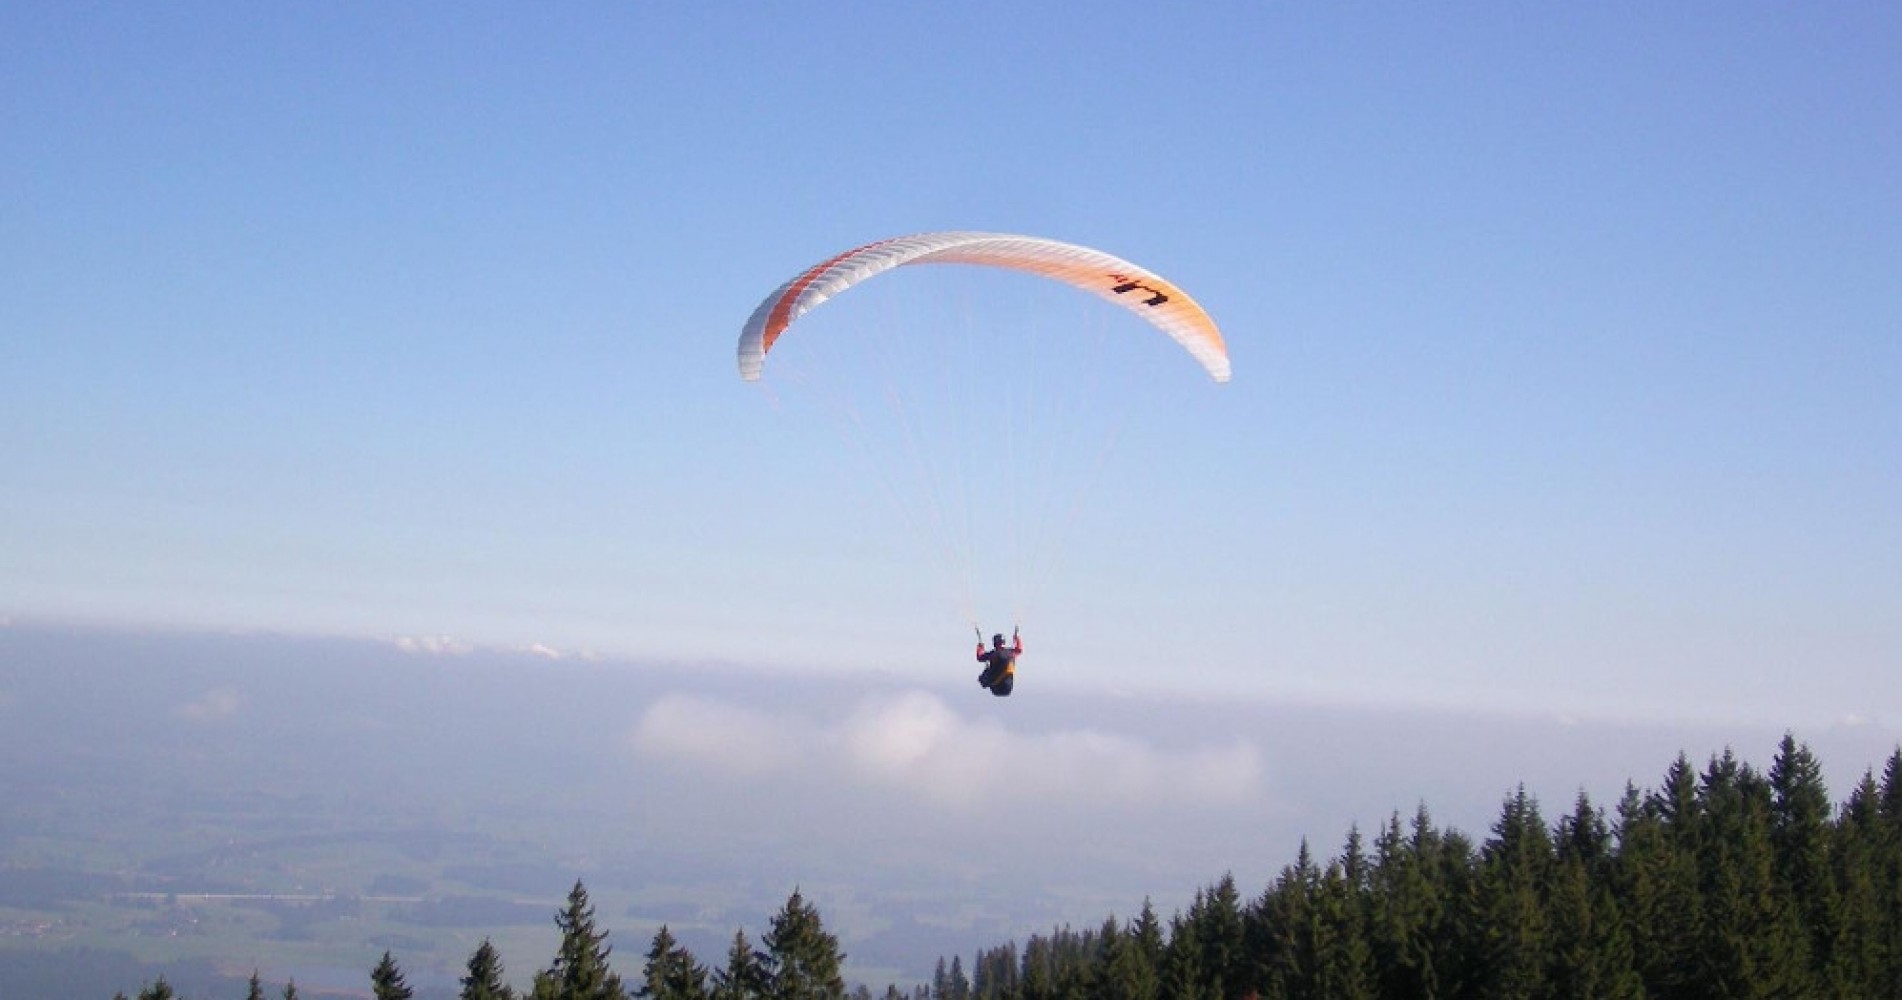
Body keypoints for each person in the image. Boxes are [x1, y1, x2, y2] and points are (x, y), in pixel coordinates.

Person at [975, 628, 1022, 697]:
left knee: (987, 671)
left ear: (995, 643)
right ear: (1004, 642)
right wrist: (1017, 639)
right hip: (1008, 689)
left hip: (996, 688)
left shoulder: (993, 654)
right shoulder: (1011, 652)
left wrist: (980, 647)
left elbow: (979, 657)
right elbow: (1019, 649)